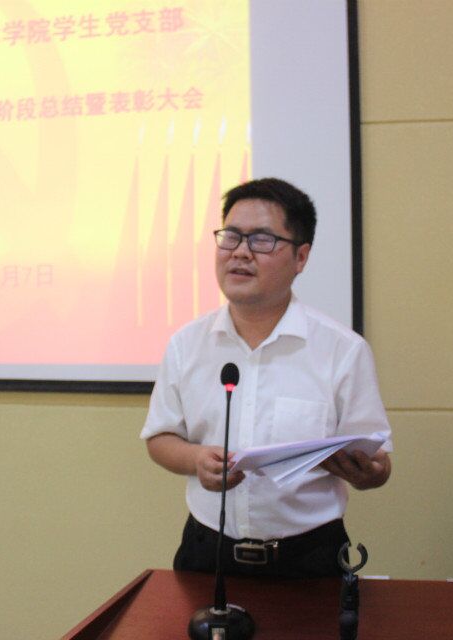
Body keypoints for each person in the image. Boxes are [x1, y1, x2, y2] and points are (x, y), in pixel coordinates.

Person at [141, 177, 392, 579]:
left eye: (261, 240)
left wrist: (369, 472)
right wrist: (196, 460)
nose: (240, 252)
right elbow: (160, 438)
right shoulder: (187, 343)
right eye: (231, 237)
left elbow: (378, 464)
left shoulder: (342, 350)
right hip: (207, 552)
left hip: (310, 557)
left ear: (301, 257)